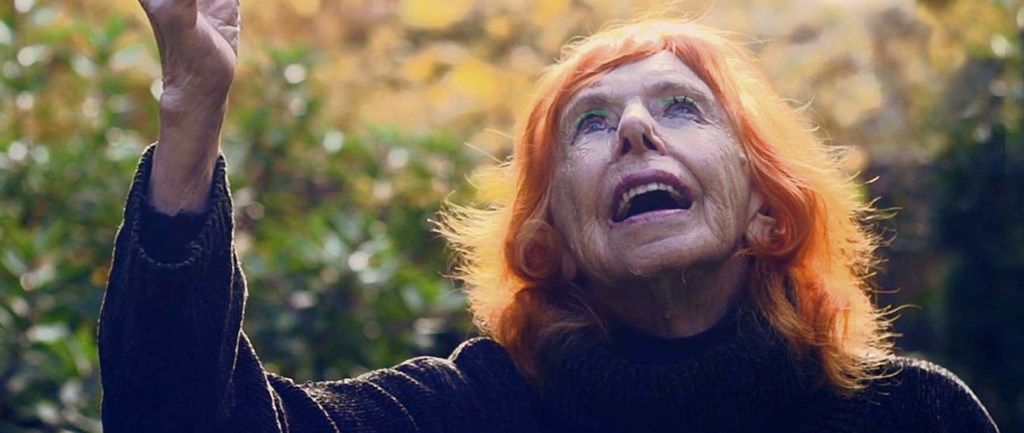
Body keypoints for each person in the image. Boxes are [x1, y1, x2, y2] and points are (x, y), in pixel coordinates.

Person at [98, 0, 1000, 432]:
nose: (637, 129)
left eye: (682, 107)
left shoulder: (912, 414)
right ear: (552, 239)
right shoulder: (470, 410)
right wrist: (191, 117)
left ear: (768, 207)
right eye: (592, 125)